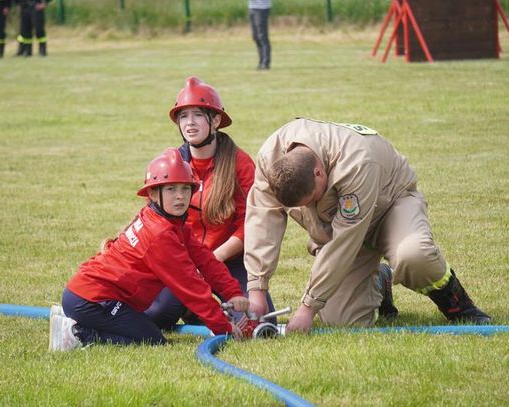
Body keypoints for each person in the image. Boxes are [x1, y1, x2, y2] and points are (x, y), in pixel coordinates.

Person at [244, 118, 491, 333]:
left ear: (319, 173)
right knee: (342, 322)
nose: (310, 207)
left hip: (390, 206)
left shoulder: (356, 162)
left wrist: (307, 307)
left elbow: (344, 242)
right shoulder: (271, 157)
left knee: (414, 255)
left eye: (313, 199)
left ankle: (458, 305)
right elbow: (262, 220)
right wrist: (256, 288)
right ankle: (380, 282)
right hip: (340, 227)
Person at [49, 148, 249, 351]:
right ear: (153, 194)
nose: (180, 196)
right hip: (92, 300)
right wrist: (224, 328)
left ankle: (81, 322)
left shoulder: (172, 223)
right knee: (152, 340)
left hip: (93, 296)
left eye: (185, 189)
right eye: (171, 189)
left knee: (148, 331)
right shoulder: (159, 234)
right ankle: (77, 333)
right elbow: (191, 286)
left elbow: (205, 259)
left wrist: (232, 292)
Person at [145, 77, 275, 329]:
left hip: (230, 260)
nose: (189, 123)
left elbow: (251, 222)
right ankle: (196, 307)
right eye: (183, 116)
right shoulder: (171, 162)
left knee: (257, 322)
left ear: (215, 121)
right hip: (185, 261)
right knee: (157, 316)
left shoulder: (240, 162)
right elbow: (155, 220)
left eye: (197, 115)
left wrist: (215, 257)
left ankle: (201, 305)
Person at [248, 0, 272, 70]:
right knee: (256, 36)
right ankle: (261, 61)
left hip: (262, 8)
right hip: (252, 7)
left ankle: (265, 63)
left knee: (262, 36)